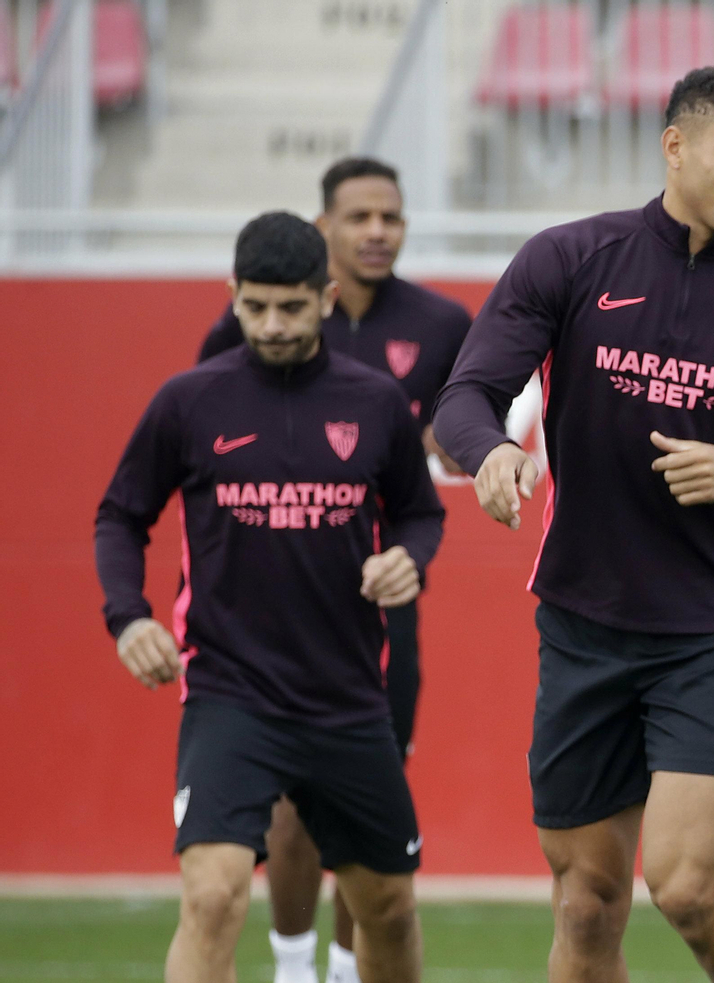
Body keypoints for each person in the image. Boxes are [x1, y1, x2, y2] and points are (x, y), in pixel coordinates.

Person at [432, 67, 714, 983]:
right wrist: (491, 451)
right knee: (586, 902)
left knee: (686, 887)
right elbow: (467, 395)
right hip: (583, 623)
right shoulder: (570, 257)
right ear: (675, 146)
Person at [95, 211, 445, 983]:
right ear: (233, 295)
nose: (273, 324)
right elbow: (120, 515)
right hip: (229, 694)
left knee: (388, 908)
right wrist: (128, 617)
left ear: (326, 297)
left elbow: (420, 512)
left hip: (349, 697)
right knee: (212, 896)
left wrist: (408, 558)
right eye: (255, 306)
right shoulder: (189, 400)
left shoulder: (376, 402)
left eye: (291, 306)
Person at [198, 157, 471, 983]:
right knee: (288, 810)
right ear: (325, 229)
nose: (378, 231)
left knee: (363, 810)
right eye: (360, 217)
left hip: (378, 605)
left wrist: (456, 443)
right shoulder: (244, 331)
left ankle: (350, 970)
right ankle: (293, 967)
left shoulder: (442, 323)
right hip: (271, 607)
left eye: (392, 217)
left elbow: (469, 428)